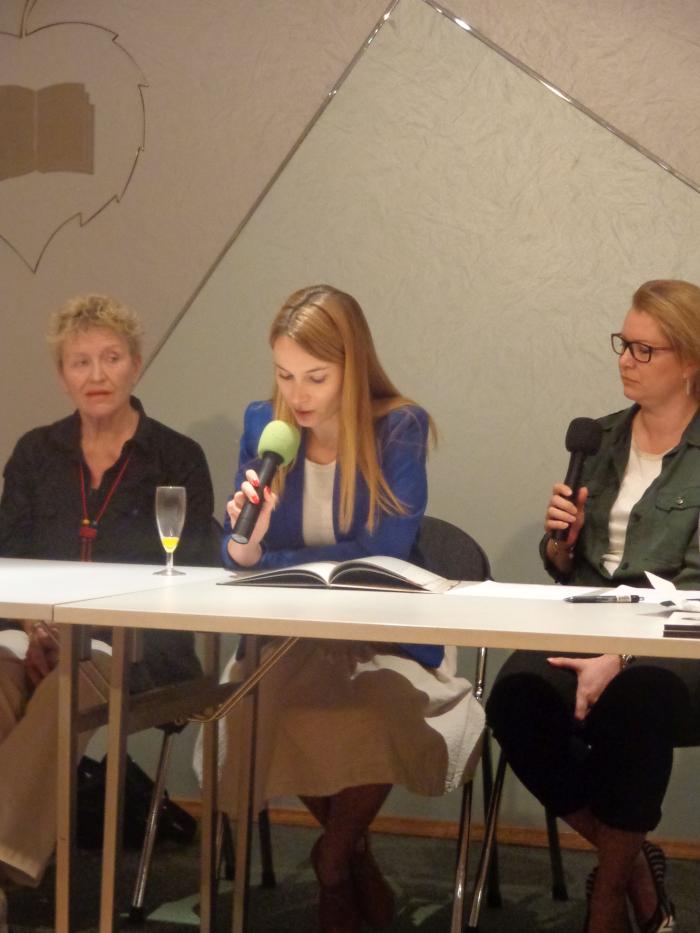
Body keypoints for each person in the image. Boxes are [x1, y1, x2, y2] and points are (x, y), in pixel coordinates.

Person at [215, 285, 484, 933]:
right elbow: (234, 555)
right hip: (290, 639)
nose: (297, 394)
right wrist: (248, 540)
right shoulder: (265, 425)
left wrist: (274, 563)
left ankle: (332, 858)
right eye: (284, 375)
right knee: (255, 711)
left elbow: (383, 550)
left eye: (316, 377)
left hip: (382, 633)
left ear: (352, 366)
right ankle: (352, 856)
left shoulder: (399, 427)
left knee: (376, 710)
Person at [486, 279, 700, 933]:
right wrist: (561, 542)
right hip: (585, 618)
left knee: (635, 703)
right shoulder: (599, 438)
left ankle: (605, 900)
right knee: (517, 696)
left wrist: (622, 654)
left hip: (677, 640)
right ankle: (632, 869)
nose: (625, 360)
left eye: (644, 349)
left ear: (690, 360)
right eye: (623, 344)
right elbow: (567, 566)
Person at [0, 294, 216, 922]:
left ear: (136, 366)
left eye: (111, 358)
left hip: (138, 648)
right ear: (62, 375)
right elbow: (7, 559)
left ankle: (4, 862)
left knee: (68, 687)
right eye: (80, 362)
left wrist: (78, 632)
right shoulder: (35, 454)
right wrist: (32, 623)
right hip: (36, 634)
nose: (96, 375)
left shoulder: (177, 458)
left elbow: (195, 578)